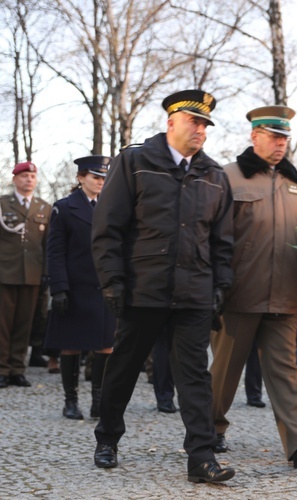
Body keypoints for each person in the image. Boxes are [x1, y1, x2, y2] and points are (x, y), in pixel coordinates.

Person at [91, 90, 236, 483]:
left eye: (206, 124)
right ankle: (107, 438)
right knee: (124, 366)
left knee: (194, 375)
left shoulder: (215, 175)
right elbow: (107, 230)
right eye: (195, 122)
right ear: (171, 122)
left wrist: (221, 286)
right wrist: (113, 282)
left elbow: (222, 241)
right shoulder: (135, 162)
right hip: (143, 289)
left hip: (194, 292)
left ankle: (201, 457)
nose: (201, 130)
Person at [209, 105, 297, 468]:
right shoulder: (228, 177)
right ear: (254, 137)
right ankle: (208, 430)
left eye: (284, 138)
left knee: (287, 371)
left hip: (286, 296)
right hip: (238, 294)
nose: (280, 144)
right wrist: (214, 287)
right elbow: (212, 238)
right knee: (224, 371)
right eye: (273, 136)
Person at [44, 155, 116, 420]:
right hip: (75, 287)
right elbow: (55, 251)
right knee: (71, 345)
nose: (100, 182)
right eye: (95, 177)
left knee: (105, 346)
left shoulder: (111, 206)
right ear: (80, 178)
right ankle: (70, 401)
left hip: (104, 288)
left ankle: (99, 400)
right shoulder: (64, 207)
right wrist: (59, 288)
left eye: (103, 178)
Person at [0, 161, 51, 388]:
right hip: (4, 272)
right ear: (14, 180)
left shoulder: (44, 208)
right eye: (23, 176)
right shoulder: (3, 204)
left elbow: (49, 244)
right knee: (3, 324)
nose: (28, 179)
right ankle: (2, 369)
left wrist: (47, 273)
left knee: (24, 323)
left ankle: (18, 369)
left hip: (32, 273)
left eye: (32, 176)